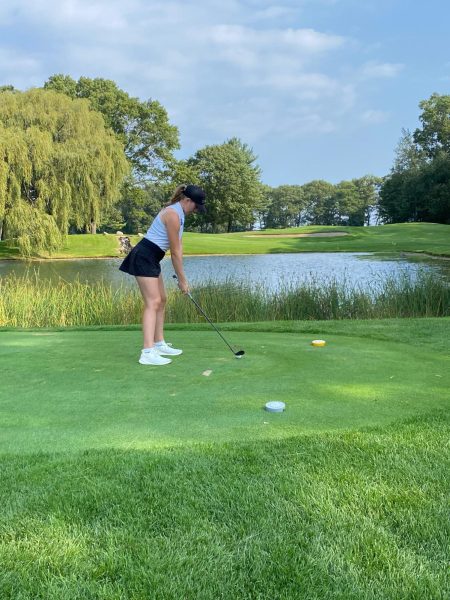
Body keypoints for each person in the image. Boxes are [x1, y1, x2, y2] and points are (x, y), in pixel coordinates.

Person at [119, 184, 206, 366]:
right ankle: (147, 352)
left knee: (162, 299)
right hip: (144, 256)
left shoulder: (180, 214)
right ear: (187, 200)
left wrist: (182, 275)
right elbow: (174, 253)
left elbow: (179, 248)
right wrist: (182, 280)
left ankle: (159, 344)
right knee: (153, 302)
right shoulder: (172, 214)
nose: (196, 210)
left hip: (152, 257)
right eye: (196, 206)